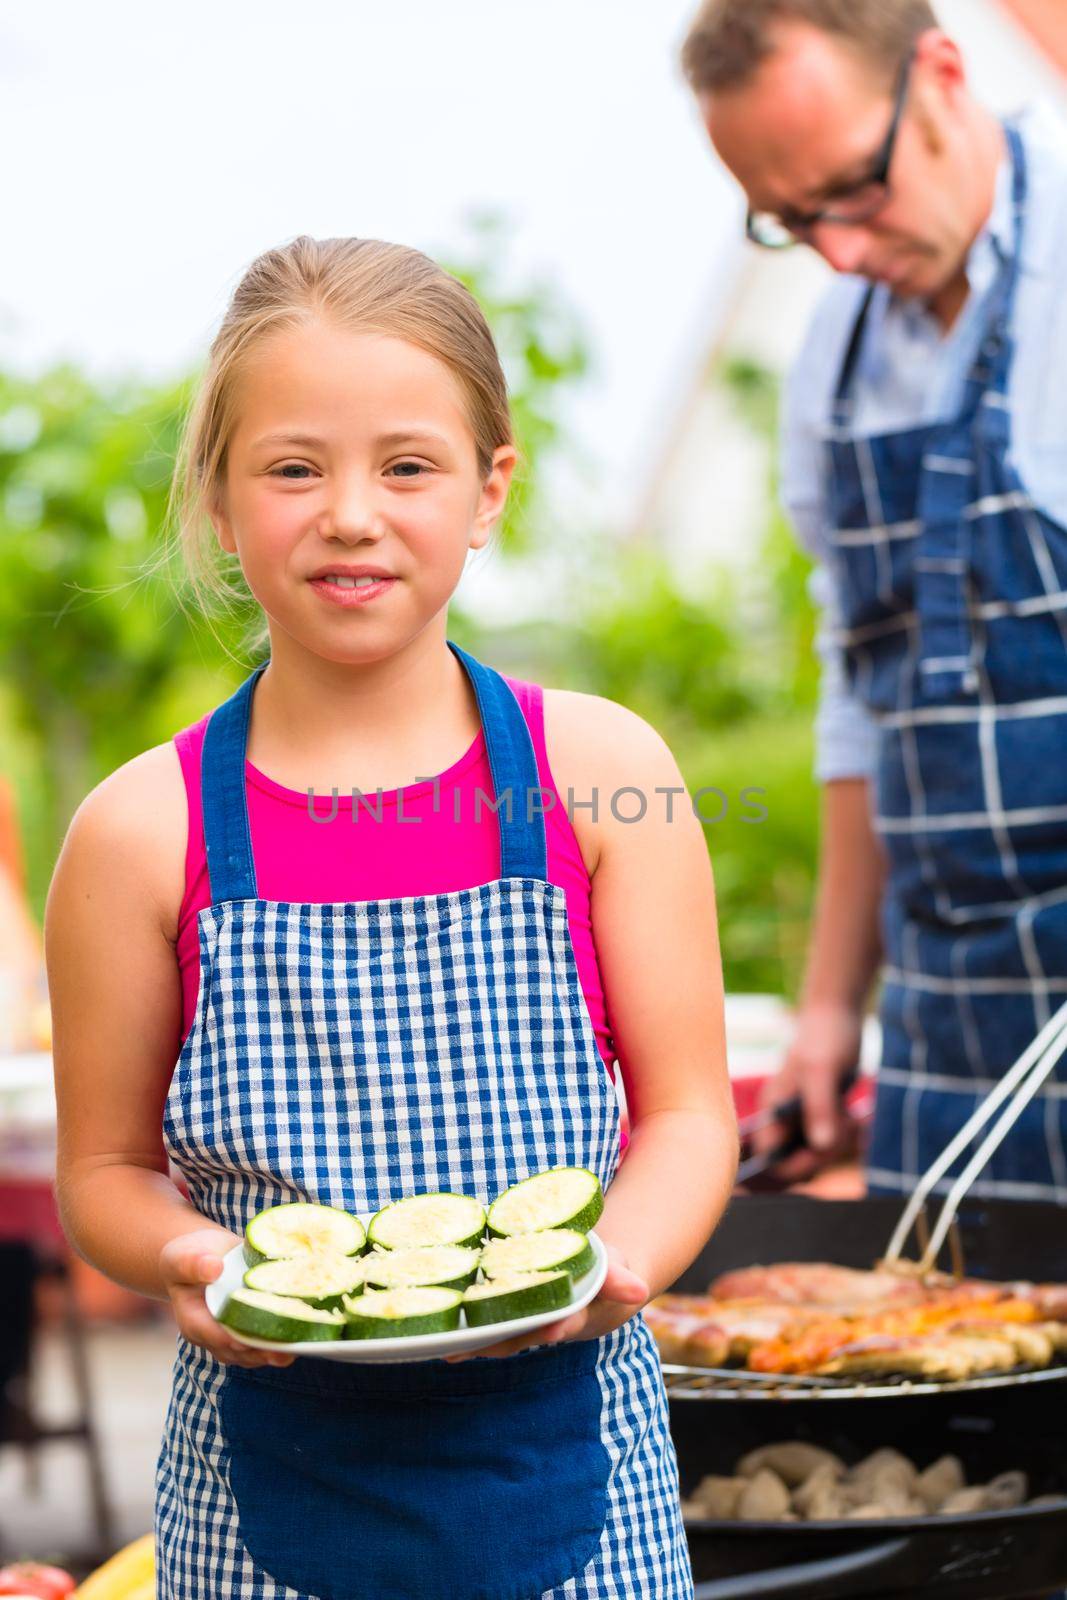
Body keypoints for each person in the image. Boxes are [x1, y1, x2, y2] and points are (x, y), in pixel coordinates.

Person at [45, 235, 736, 1599]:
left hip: (572, 1460)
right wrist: (190, 1255)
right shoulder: (141, 832)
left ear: (489, 492)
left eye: (406, 466)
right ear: (220, 498)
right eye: (293, 467)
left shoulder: (600, 775)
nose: (350, 513)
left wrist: (617, 1264)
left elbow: (687, 1115)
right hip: (265, 1481)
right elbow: (102, 1174)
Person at [681, 0, 1067, 1199]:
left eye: (851, 189)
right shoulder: (833, 360)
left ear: (941, 74)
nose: (837, 251)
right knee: (942, 1363)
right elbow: (865, 702)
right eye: (789, 221)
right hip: (944, 1010)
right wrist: (825, 1011)